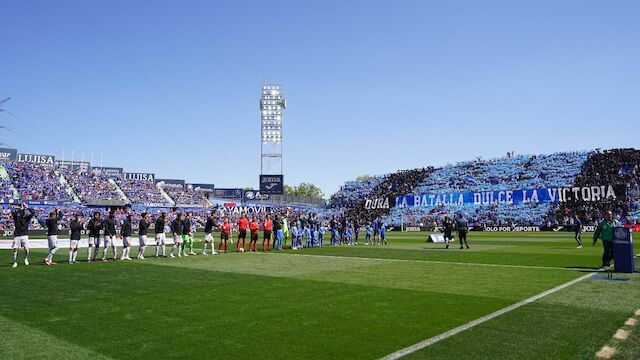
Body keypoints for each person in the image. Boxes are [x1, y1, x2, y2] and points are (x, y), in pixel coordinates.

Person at [10, 203, 35, 268]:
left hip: (24, 234)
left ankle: (26, 258)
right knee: (15, 249)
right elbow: (12, 211)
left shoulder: (27, 217)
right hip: (17, 234)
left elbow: (33, 212)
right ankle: (15, 262)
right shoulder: (17, 214)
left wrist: (26, 207)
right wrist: (20, 208)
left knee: (26, 249)